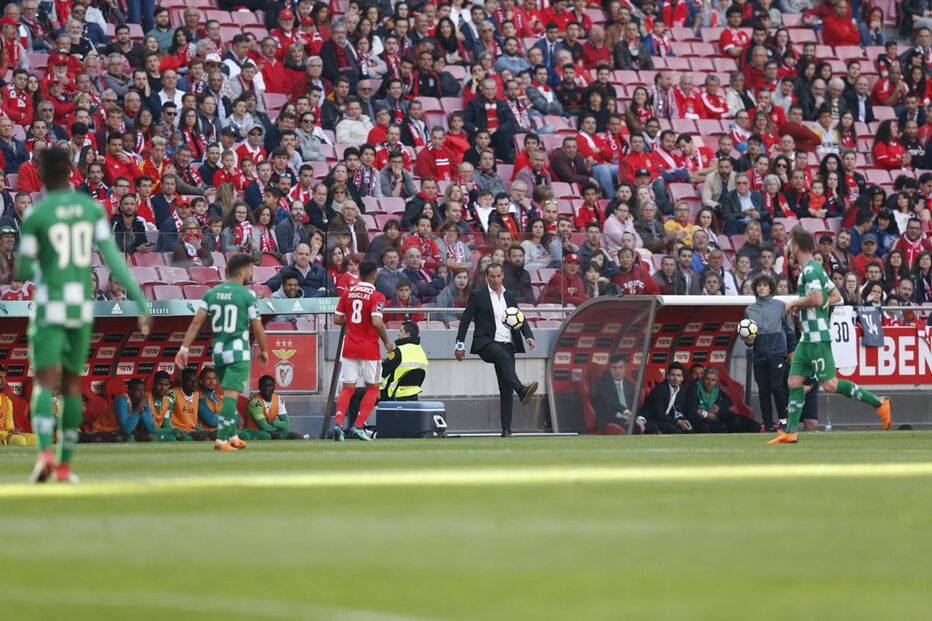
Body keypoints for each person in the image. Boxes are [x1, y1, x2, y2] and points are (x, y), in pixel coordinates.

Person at [18, 147, 151, 483]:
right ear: (72, 172)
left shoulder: (37, 214)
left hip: (50, 305)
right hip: (80, 306)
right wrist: (139, 301)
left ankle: (45, 454)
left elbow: (21, 267)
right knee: (73, 385)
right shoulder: (91, 210)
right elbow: (113, 259)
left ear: (43, 175)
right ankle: (64, 467)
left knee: (45, 385)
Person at [770, 229, 892, 444]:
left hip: (818, 336)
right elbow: (835, 296)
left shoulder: (810, 270)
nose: (788, 249)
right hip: (808, 337)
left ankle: (879, 403)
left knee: (830, 385)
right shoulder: (815, 269)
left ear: (796, 247)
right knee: (794, 381)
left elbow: (817, 299)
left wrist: (794, 303)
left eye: (790, 246)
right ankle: (790, 432)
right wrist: (809, 306)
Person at [175, 254, 269, 451]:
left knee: (227, 393)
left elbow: (196, 323)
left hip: (218, 351)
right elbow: (258, 327)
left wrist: (184, 348)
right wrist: (264, 350)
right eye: (250, 269)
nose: (251, 273)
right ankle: (221, 440)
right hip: (237, 352)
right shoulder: (247, 295)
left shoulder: (212, 293)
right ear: (242, 270)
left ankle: (233, 436)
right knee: (231, 396)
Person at [454, 263, 538, 437]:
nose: (495, 279)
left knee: (506, 388)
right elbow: (465, 320)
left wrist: (528, 336)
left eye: (498, 276)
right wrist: (459, 344)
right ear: (486, 277)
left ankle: (506, 430)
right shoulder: (478, 295)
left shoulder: (510, 296)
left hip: (508, 343)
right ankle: (522, 390)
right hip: (486, 343)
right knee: (503, 358)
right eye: (491, 276)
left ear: (502, 276)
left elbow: (519, 317)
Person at [332, 260, 395, 441]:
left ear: (359, 274)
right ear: (375, 276)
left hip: (350, 345)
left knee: (348, 388)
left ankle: (338, 424)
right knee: (373, 388)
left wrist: (353, 322)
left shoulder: (348, 293)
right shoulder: (377, 296)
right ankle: (359, 425)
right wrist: (387, 342)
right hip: (369, 347)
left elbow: (337, 319)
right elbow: (376, 321)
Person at [744, 274, 797, 432]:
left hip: (777, 351)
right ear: (755, 288)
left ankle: (783, 420)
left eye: (764, 285)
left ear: (770, 288)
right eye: (759, 285)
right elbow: (746, 337)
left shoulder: (781, 306)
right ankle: (767, 424)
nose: (761, 287)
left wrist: (792, 349)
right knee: (763, 390)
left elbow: (790, 329)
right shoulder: (749, 310)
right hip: (759, 353)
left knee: (776, 386)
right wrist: (749, 341)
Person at [684, 367, 762, 433]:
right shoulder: (694, 388)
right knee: (722, 426)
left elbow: (728, 401)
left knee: (754, 426)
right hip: (702, 419)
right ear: (703, 379)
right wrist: (706, 413)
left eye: (713, 380)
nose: (709, 383)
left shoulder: (716, 389)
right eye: (707, 379)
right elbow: (693, 411)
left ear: (716, 381)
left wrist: (718, 407)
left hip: (718, 415)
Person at [592, 354, 653, 434]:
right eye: (614, 368)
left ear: (625, 369)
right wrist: (627, 413)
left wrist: (636, 417)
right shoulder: (602, 383)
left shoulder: (629, 384)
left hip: (628, 418)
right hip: (611, 418)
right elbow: (610, 401)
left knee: (652, 427)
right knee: (636, 428)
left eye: (620, 367)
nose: (617, 371)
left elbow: (634, 404)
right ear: (609, 369)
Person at [380, 321, 429, 401]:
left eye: (400, 331)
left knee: (356, 395)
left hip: (391, 394)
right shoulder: (422, 352)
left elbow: (382, 371)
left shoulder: (399, 351)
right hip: (412, 395)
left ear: (407, 334)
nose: (398, 334)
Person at [641, 362, 691, 434]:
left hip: (666, 418)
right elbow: (659, 414)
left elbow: (679, 411)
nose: (675, 378)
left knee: (689, 430)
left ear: (682, 378)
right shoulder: (660, 390)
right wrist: (678, 422)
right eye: (673, 375)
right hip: (652, 418)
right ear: (668, 376)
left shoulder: (683, 390)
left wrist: (683, 421)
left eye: (678, 375)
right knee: (674, 430)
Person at [244, 375, 300, 439]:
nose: (266, 389)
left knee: (296, 436)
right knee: (270, 436)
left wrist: (272, 422)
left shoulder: (278, 399)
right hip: (255, 431)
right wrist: (279, 427)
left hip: (272, 430)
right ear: (259, 387)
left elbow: (286, 424)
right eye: (263, 386)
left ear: (274, 387)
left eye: (269, 386)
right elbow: (264, 427)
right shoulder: (256, 402)